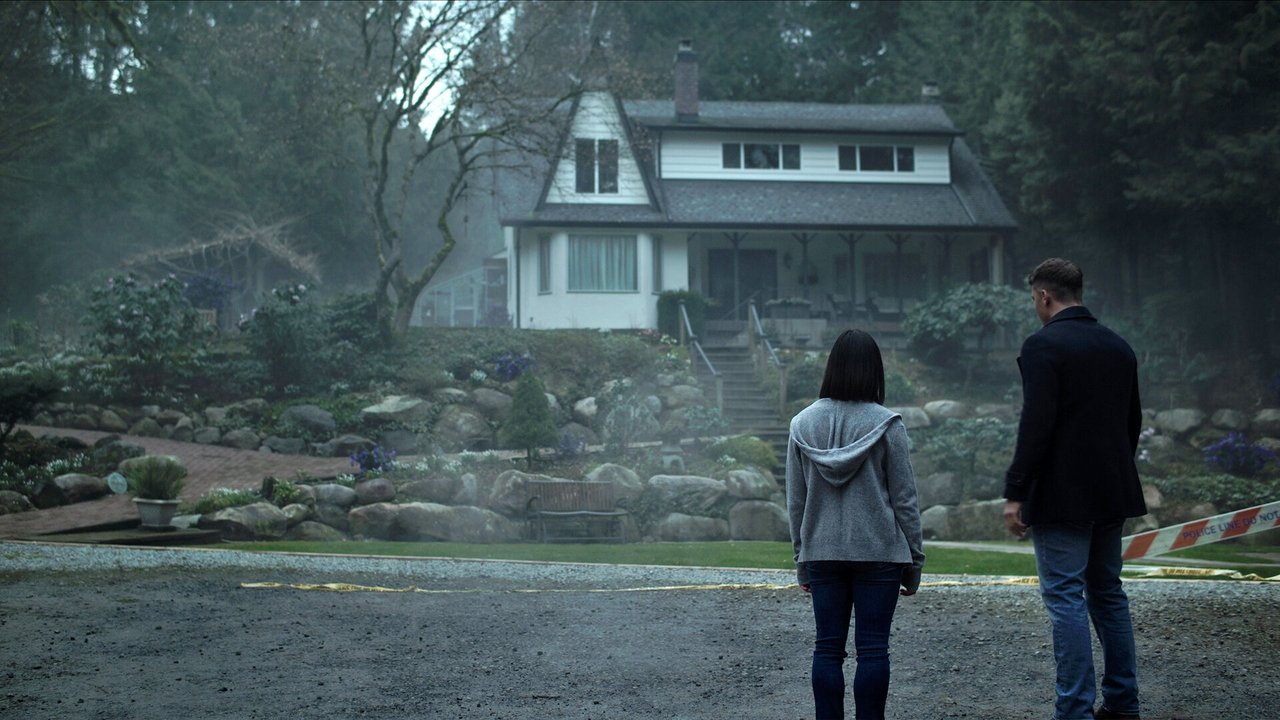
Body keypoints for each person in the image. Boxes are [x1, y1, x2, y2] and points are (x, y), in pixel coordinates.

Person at [1003, 258, 1147, 720]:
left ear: (1044, 296)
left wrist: (1016, 490)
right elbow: (1131, 422)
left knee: (1065, 596)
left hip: (1061, 495)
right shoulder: (1119, 347)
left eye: (1034, 298)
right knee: (1107, 592)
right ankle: (1123, 703)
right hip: (1112, 490)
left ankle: (1074, 710)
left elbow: (1037, 423)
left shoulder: (1043, 346)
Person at [787, 328, 925, 720]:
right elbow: (905, 500)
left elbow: (796, 502)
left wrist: (801, 559)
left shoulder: (802, 424)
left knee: (827, 648)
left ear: (831, 368)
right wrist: (914, 562)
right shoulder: (889, 425)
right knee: (874, 649)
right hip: (879, 552)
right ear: (874, 371)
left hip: (822, 551)